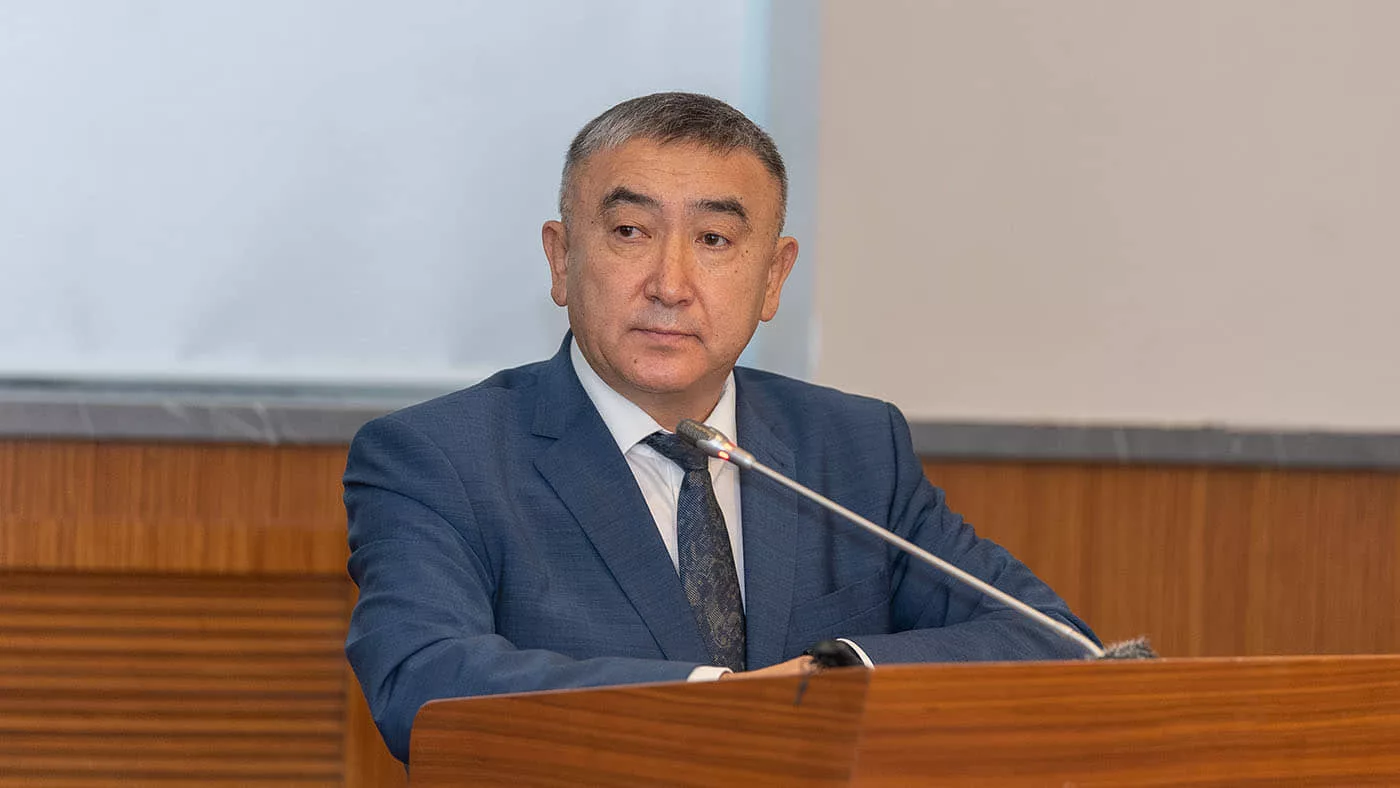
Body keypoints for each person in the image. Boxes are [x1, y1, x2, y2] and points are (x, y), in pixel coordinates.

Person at [344, 92, 1098, 763]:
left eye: (714, 240)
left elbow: (1056, 643)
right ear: (561, 258)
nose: (670, 285)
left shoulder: (853, 446)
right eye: (631, 231)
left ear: (773, 278)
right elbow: (423, 681)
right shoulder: (439, 458)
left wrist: (837, 677)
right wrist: (725, 702)